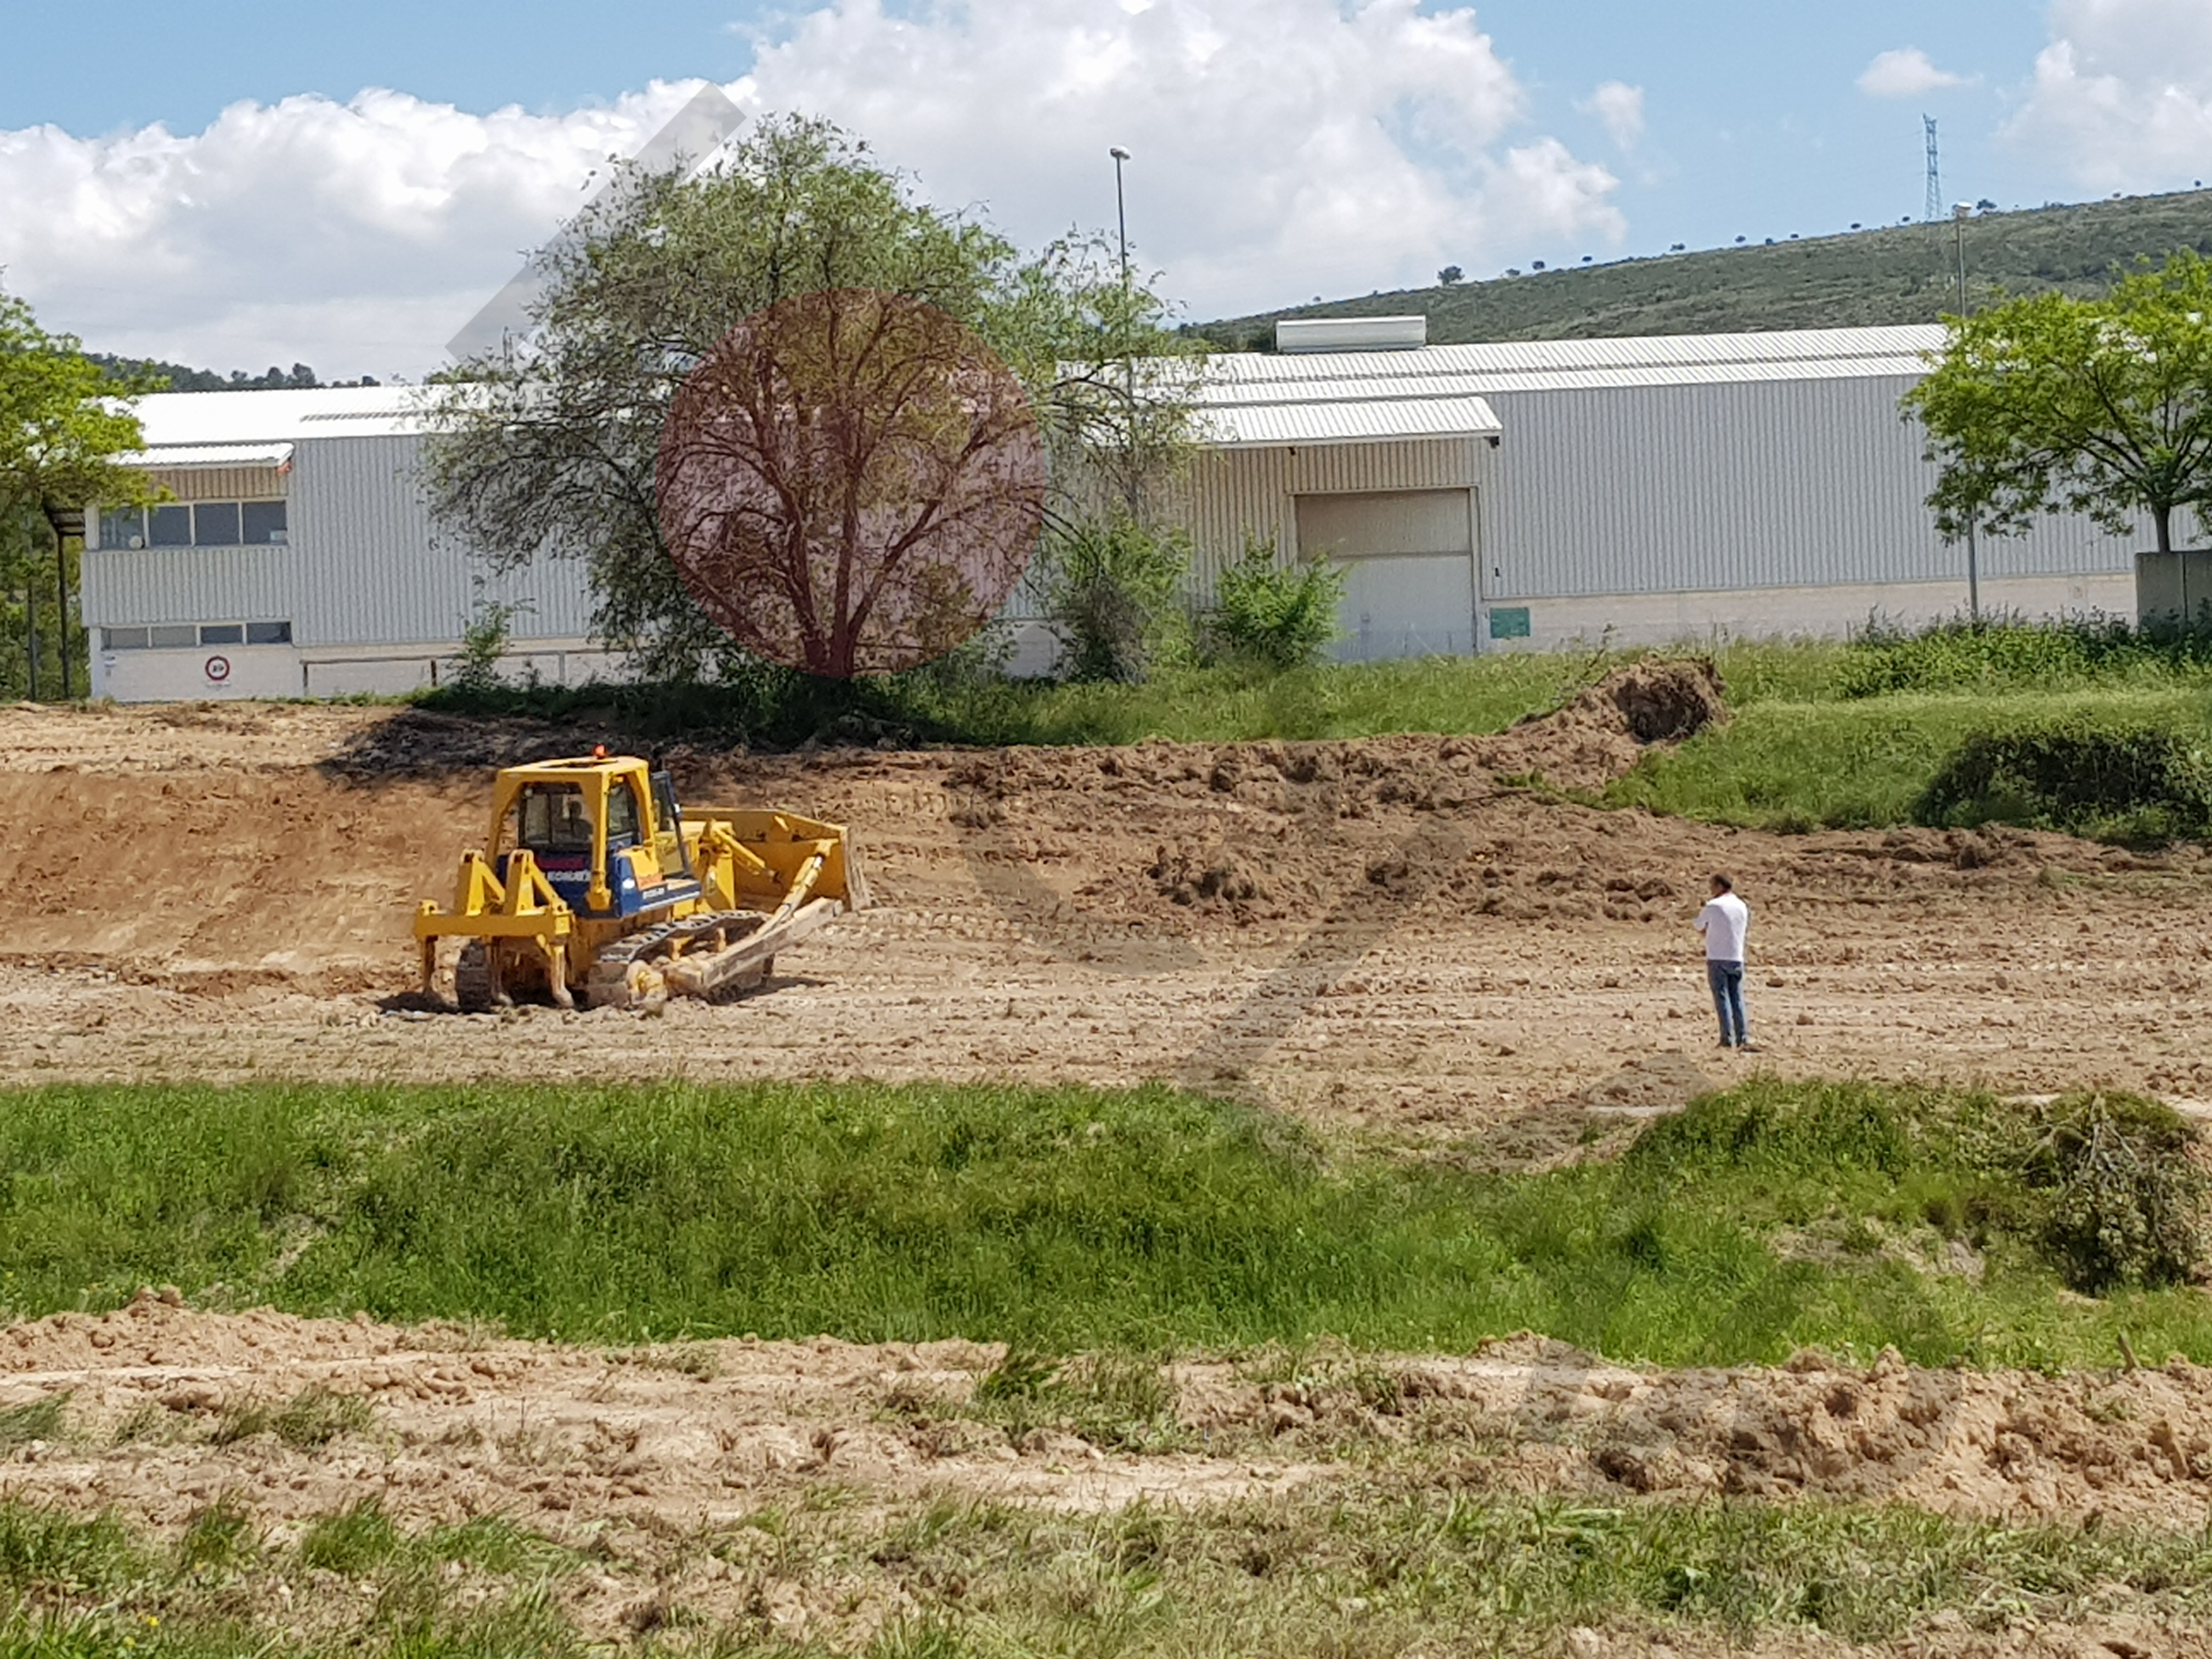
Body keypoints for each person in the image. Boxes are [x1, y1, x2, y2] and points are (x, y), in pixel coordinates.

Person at [1695, 874, 1756, 1051]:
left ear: (1720, 886)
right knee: (1737, 998)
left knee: (1722, 999)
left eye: (1712, 886)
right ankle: (1743, 1037)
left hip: (1717, 957)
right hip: (1736, 957)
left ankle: (1727, 1039)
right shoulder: (1742, 905)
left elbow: (1699, 926)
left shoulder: (1714, 906)